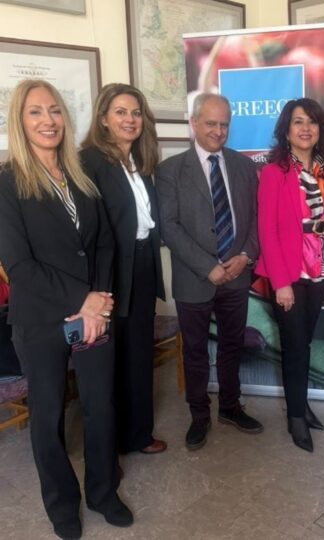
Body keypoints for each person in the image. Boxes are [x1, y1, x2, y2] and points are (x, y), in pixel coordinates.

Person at [0, 79, 132, 539]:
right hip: (40, 321)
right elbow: (19, 265)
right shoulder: (7, 182)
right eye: (36, 112)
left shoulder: (80, 175)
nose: (48, 120)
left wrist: (98, 302)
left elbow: (104, 244)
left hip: (92, 316)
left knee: (100, 403)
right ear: (20, 121)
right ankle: (61, 505)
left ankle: (103, 492)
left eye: (54, 110)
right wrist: (83, 300)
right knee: (48, 413)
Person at [155, 93, 263, 450]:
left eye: (224, 124)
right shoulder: (170, 171)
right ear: (194, 123)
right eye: (211, 123)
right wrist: (207, 267)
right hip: (194, 278)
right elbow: (169, 227)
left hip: (237, 273)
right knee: (196, 351)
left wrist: (245, 255)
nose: (218, 131)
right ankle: (199, 415)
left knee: (233, 345)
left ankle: (230, 407)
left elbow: (256, 219)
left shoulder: (244, 166)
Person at [80, 83, 166, 456]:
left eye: (135, 113)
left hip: (143, 264)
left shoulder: (140, 163)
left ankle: (139, 434)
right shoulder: (89, 162)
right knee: (109, 358)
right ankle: (110, 445)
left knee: (139, 352)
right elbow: (90, 230)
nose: (130, 119)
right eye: (120, 112)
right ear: (103, 119)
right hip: (109, 271)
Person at [255, 98, 324, 453]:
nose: (306, 128)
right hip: (289, 273)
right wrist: (281, 283)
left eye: (312, 122)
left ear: (321, 129)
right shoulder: (274, 172)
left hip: (320, 269)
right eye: (298, 122)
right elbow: (267, 231)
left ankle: (301, 404)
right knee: (293, 345)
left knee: (303, 343)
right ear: (286, 131)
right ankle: (295, 418)